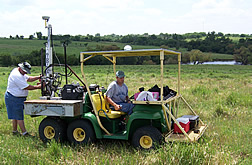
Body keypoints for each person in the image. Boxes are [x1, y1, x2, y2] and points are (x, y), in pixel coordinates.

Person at [5, 62, 41, 136]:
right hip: (14, 97)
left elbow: (29, 79)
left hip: (16, 97)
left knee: (15, 116)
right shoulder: (16, 75)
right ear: (21, 68)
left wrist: (38, 77)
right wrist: (38, 87)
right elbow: (26, 87)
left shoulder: (20, 73)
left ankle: (14, 131)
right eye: (25, 71)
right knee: (19, 116)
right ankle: (24, 133)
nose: (25, 73)